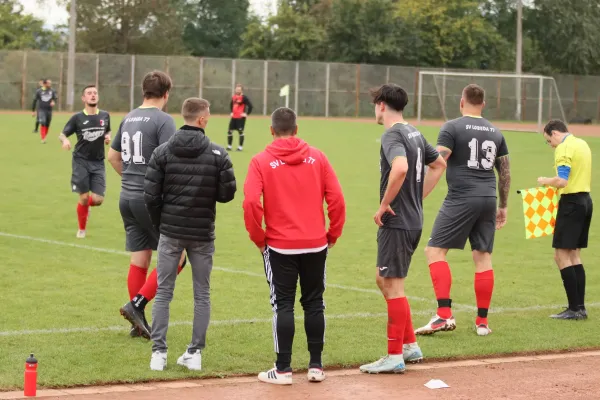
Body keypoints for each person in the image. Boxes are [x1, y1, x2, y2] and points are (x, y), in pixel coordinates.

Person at [243, 107, 346, 385]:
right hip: (315, 244)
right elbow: (336, 199)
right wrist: (332, 234)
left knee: (283, 304)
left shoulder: (260, 161)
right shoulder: (318, 157)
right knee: (315, 303)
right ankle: (316, 366)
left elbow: (251, 202)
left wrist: (259, 238)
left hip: (279, 246)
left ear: (271, 130)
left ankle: (284, 369)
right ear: (297, 129)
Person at [359, 84, 446, 374]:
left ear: (381, 105)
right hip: (413, 219)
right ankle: (409, 345)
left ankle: (394, 355)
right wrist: (417, 198)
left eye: (375, 105)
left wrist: (385, 204)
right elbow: (439, 164)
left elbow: (400, 168)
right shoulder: (414, 132)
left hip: (397, 221)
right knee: (384, 280)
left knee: (392, 285)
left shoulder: (393, 134)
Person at [145, 97, 236, 371]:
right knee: (202, 294)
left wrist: (163, 224)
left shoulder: (162, 152)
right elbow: (227, 194)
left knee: (163, 292)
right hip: (202, 233)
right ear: (202, 119)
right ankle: (194, 352)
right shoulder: (218, 154)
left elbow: (150, 196)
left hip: (170, 232)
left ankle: (158, 353)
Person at [416, 84, 511, 337]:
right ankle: (482, 322)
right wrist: (503, 205)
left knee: (434, 251)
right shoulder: (496, 131)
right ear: (484, 104)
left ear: (462, 102)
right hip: (488, 198)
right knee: (483, 257)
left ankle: (444, 315)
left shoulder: (452, 127)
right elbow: (505, 172)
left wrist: (418, 195)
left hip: (461, 197)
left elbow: (439, 162)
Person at [107, 70, 186, 339]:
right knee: (178, 255)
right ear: (166, 94)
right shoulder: (164, 120)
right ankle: (137, 305)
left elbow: (113, 157)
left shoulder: (128, 117)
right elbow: (170, 162)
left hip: (126, 197)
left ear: (144, 91)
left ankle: (137, 325)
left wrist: (131, 179)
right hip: (149, 199)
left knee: (140, 257)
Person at [538, 120, 592, 320]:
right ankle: (580, 307)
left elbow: (562, 181)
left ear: (554, 133)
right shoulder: (582, 144)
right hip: (586, 201)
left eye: (548, 140)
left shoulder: (564, 148)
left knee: (561, 256)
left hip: (571, 203)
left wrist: (545, 181)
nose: (550, 144)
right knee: (575, 256)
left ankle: (574, 309)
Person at [58, 85, 111, 239]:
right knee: (83, 197)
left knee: (98, 200)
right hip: (81, 161)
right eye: (89, 93)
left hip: (98, 162)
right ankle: (82, 229)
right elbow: (62, 134)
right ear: (83, 98)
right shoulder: (77, 118)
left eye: (95, 93)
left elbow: (108, 130)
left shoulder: (105, 116)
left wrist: (107, 136)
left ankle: (84, 208)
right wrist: (65, 141)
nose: (93, 95)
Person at [227, 84, 253, 152]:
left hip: (240, 118)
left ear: (241, 90)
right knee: (230, 131)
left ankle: (240, 147)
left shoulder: (244, 98)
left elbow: (250, 106)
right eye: (237, 89)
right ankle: (229, 147)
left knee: (240, 132)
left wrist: (246, 114)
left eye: (239, 89)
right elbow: (231, 104)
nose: (238, 90)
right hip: (233, 117)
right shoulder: (234, 97)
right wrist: (231, 112)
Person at [32, 79, 57, 144]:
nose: (50, 84)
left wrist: (53, 101)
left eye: (50, 83)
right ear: (44, 84)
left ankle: (44, 136)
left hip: (49, 110)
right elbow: (34, 100)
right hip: (41, 110)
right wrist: (33, 110)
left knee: (47, 124)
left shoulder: (52, 91)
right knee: (43, 122)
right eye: (48, 83)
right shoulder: (39, 91)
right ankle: (43, 138)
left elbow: (55, 98)